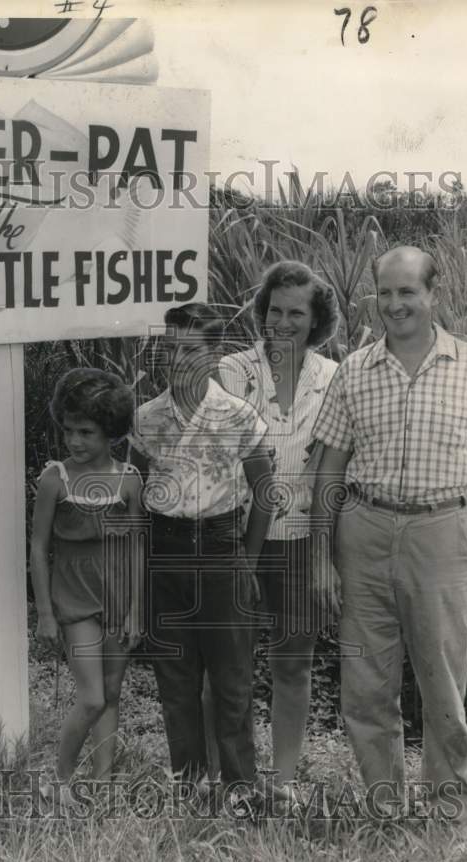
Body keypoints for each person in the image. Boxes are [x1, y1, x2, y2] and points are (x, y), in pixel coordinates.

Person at [309, 245, 467, 833]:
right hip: (362, 530)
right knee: (366, 681)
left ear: (433, 295)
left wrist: (453, 505)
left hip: (441, 534)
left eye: (407, 291)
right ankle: (383, 807)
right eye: (384, 293)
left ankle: (453, 811)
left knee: (442, 678)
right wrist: (322, 558)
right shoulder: (354, 371)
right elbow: (328, 471)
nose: (394, 304)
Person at [129, 302, 275, 810]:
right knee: (176, 682)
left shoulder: (238, 415)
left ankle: (238, 791)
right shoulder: (146, 417)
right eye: (170, 350)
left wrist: (248, 562)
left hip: (220, 551)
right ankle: (188, 788)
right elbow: (133, 492)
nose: (179, 361)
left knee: (232, 681)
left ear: (215, 355)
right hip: (165, 555)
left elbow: (265, 492)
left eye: (191, 350)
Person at [207, 261, 340, 798]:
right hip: (236, 537)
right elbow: (219, 457)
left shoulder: (333, 377)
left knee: (292, 664)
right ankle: (224, 777)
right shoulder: (233, 371)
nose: (282, 322)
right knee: (226, 667)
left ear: (316, 321)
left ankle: (282, 781)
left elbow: (331, 465)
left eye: (296, 313)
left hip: (303, 539)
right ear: (262, 314)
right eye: (274, 311)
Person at [30, 368, 143, 800]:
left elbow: (136, 548)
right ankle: (58, 779)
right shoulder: (54, 479)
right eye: (69, 430)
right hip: (74, 598)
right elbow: (39, 548)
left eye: (87, 432)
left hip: (117, 597)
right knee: (92, 697)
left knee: (112, 692)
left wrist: (136, 608)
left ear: (111, 433)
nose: (75, 441)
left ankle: (103, 784)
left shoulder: (129, 479)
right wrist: (44, 612)